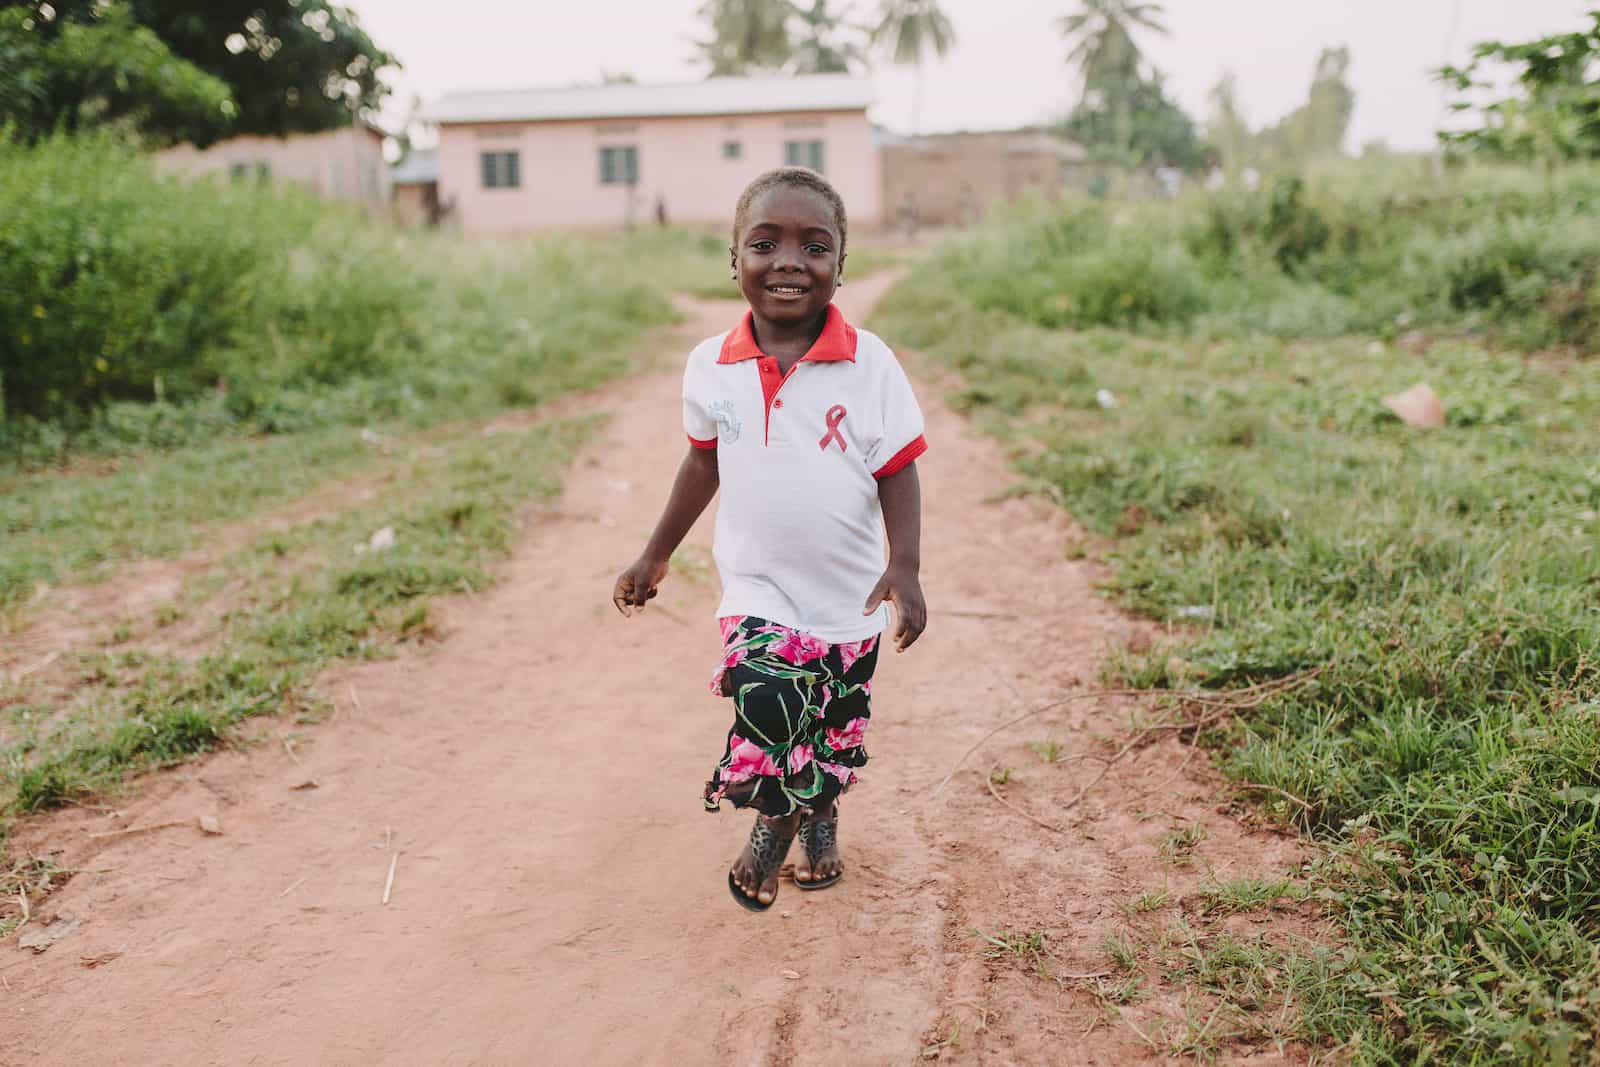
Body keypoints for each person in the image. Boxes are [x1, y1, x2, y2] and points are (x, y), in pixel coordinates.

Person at [612, 166, 928, 912]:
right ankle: (775, 815)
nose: (789, 261)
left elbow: (899, 470)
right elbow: (702, 463)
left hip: (848, 599)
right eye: (765, 243)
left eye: (814, 246)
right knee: (767, 696)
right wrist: (656, 553)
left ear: (841, 266)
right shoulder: (709, 368)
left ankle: (819, 820)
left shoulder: (870, 365)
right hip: (758, 588)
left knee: (831, 726)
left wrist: (904, 566)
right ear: (734, 260)